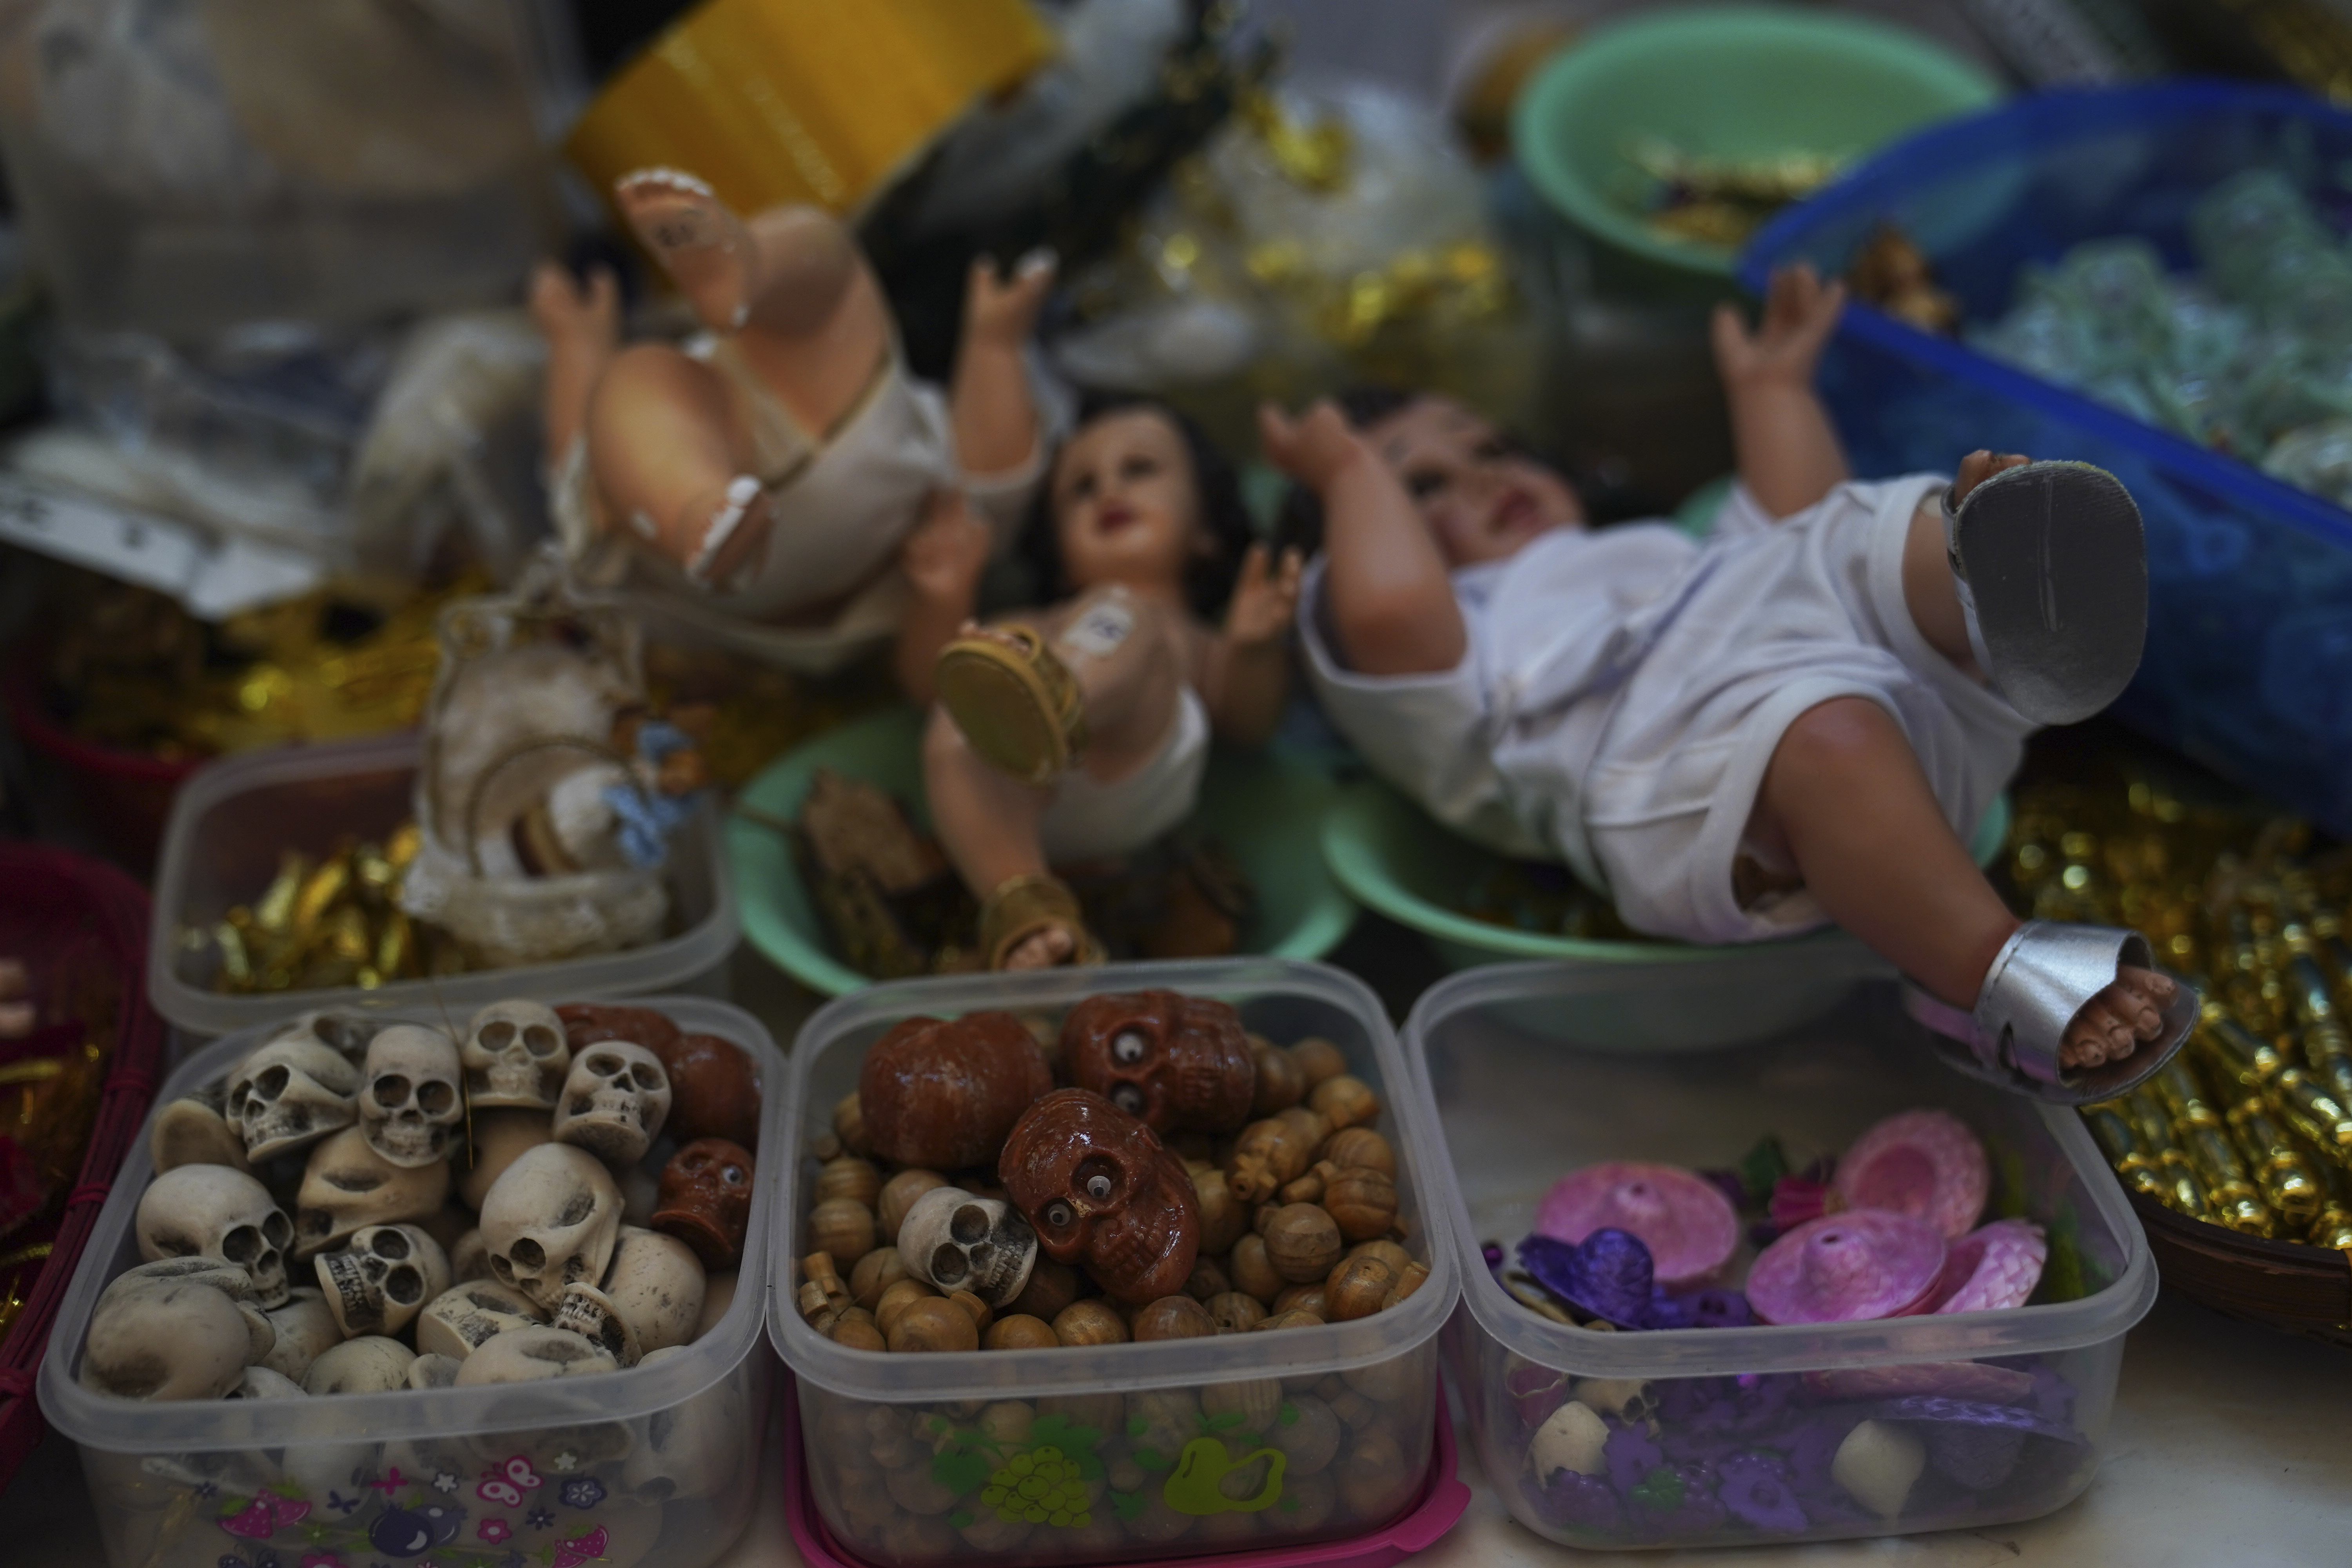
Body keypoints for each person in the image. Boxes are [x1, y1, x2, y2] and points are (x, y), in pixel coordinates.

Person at [1263, 263, 2190, 1102]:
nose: (1477, 476)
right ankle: (1992, 961)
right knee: (1819, 725)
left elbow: (1788, 529)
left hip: (1855, 707)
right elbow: (1388, 611)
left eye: (1491, 448)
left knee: (1848, 536)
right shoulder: (1460, 644)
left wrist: (1771, 388)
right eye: (1420, 487)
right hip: (1667, 771)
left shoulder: (1655, 552)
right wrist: (1345, 470)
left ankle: (1984, 584)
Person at [529, 167, 1057, 672]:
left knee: (629, 390)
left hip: (792, 507)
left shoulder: (932, 573)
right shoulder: (968, 516)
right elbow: (999, 472)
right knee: (827, 264)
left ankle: (697, 515)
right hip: (840, 421)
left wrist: (575, 345)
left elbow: (573, 453)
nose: (1107, 490)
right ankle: (746, 268)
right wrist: (995, 349)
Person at [899, 394, 1301, 969]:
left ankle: (1059, 694)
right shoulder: (1029, 626)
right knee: (962, 705)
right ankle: (1027, 911)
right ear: (1060, 557)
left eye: (1139, 469)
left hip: (1135, 768)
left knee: (1119, 612)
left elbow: (1249, 723)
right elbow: (926, 687)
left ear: (1207, 530)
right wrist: (942, 601)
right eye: (1081, 488)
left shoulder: (1186, 636)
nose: (1109, 491)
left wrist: (1255, 652)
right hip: (1016, 804)